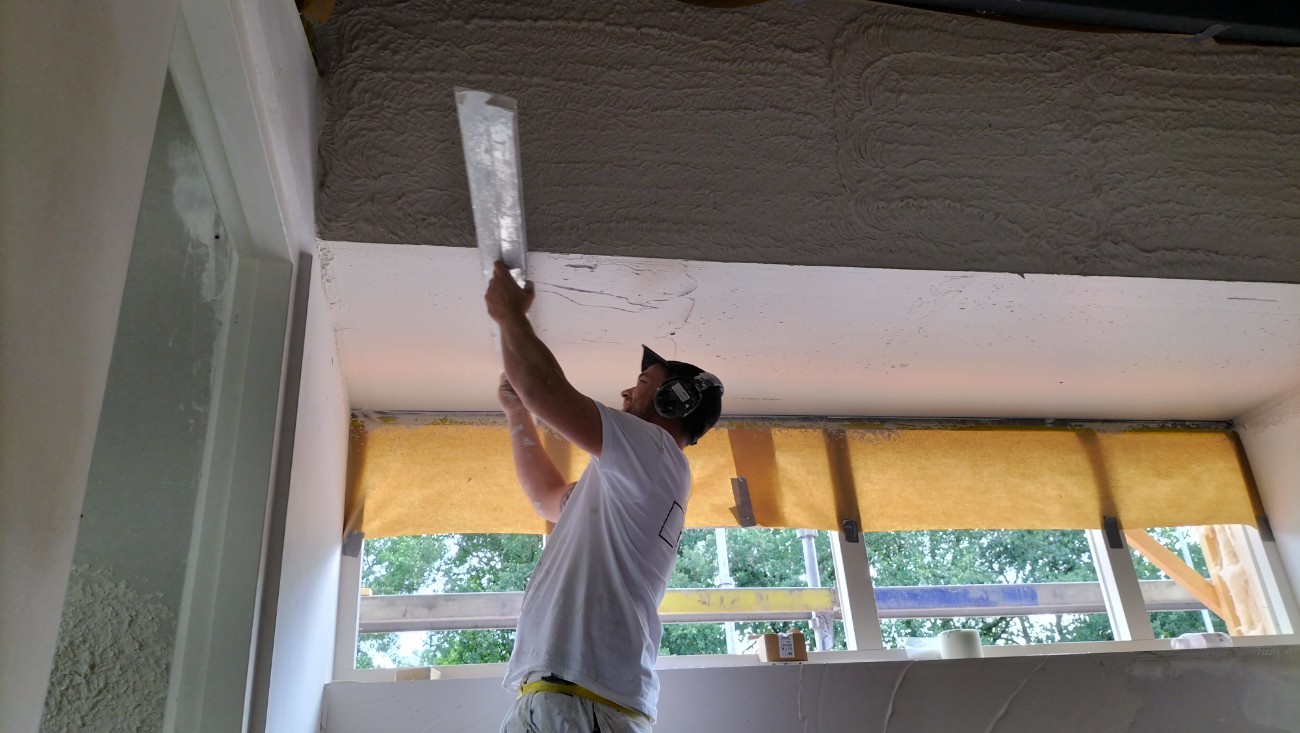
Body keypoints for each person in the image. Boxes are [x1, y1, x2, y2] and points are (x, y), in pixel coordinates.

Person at [484, 260, 725, 732]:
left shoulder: (656, 452)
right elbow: (547, 497)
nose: (626, 392)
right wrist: (518, 413)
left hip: (584, 701)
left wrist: (511, 317)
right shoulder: (631, 481)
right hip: (569, 698)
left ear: (674, 401)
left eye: (642, 385)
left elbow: (547, 392)